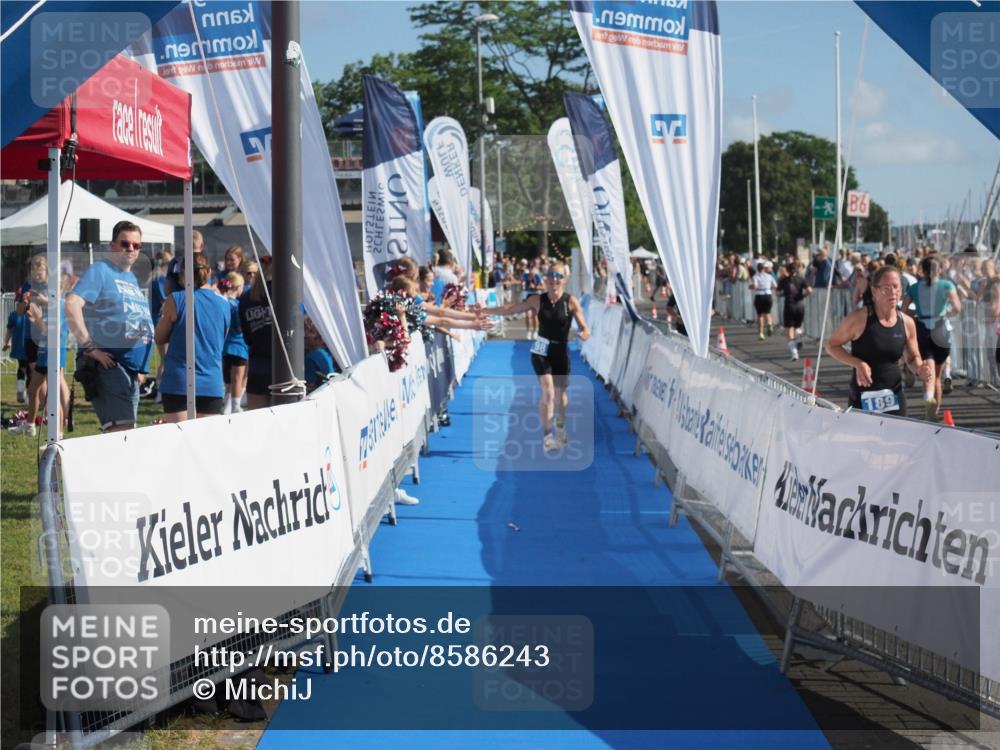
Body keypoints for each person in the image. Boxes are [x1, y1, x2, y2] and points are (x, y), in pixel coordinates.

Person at [484, 262, 590, 452]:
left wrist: (584, 332)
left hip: (561, 350)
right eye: (550, 277)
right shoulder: (537, 300)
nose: (554, 280)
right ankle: (548, 436)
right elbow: (511, 309)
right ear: (546, 280)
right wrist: (485, 311)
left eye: (558, 277)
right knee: (548, 392)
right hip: (541, 347)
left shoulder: (570, 301)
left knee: (561, 396)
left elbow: (584, 325)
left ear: (564, 280)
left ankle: (560, 424)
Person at [65, 221, 154, 432]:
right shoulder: (101, 270)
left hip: (129, 369)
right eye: (125, 243)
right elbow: (72, 305)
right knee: (120, 432)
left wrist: (140, 368)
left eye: (136, 245)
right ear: (112, 245)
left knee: (123, 432)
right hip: (108, 364)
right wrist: (90, 348)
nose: (131, 249)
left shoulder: (130, 278)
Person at [826, 265, 933, 418]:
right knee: (864, 441)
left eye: (896, 287)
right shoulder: (859, 319)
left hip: (894, 396)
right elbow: (831, 345)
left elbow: (911, 357)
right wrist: (857, 363)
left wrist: (920, 369)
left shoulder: (907, 322)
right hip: (863, 396)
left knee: (897, 440)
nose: (892, 292)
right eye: (886, 288)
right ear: (874, 291)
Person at [154, 253, 232, 421]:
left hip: (179, 381)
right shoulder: (224, 303)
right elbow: (221, 339)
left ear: (181, 274)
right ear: (209, 272)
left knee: (180, 442)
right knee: (206, 444)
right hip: (211, 381)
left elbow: (159, 337)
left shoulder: (176, 299)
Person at [902, 257, 961, 419]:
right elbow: (957, 307)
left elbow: (904, 309)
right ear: (939, 270)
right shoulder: (946, 285)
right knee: (937, 375)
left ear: (922, 270)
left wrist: (916, 314)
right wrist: (945, 313)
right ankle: (934, 411)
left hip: (922, 328)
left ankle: (928, 399)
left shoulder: (914, 288)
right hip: (940, 327)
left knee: (927, 371)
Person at [238, 257, 273, 410]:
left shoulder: (247, 297)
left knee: (259, 426)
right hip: (285, 365)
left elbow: (247, 336)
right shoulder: (288, 294)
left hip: (257, 365)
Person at [220, 271, 248, 414]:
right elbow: (239, 326)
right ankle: (236, 406)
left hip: (224, 346)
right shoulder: (236, 305)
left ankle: (227, 405)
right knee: (238, 377)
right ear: (238, 287)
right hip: (239, 346)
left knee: (228, 380)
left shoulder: (221, 301)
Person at [776, 260, 811, 360]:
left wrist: (783, 294)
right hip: (800, 305)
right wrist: (803, 296)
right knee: (797, 326)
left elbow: (777, 293)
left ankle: (794, 353)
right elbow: (809, 290)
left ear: (787, 270)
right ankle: (799, 335)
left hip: (789, 306)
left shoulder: (784, 280)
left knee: (789, 330)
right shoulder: (801, 279)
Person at [4, 301, 30, 405]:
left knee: (22, 366)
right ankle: (29, 396)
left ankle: (20, 387)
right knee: (32, 371)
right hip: (31, 345)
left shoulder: (13, 315)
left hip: (18, 345)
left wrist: (7, 342)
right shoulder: (33, 313)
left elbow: (9, 330)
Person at [303, 315, 337, 393]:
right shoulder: (327, 353)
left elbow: (308, 388)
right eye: (305, 330)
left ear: (320, 337)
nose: (306, 335)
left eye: (311, 331)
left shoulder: (311, 358)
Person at [751, 261, 777, 340]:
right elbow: (775, 285)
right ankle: (769, 324)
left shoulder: (755, 276)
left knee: (760, 315)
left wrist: (751, 286)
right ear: (764, 269)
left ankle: (761, 333)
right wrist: (769, 288)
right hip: (768, 294)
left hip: (759, 295)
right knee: (768, 313)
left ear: (757, 269)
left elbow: (755, 286)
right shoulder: (769, 276)